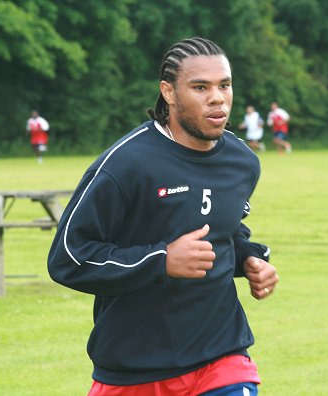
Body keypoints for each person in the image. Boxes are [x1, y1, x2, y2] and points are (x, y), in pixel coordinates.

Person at [48, 37, 279, 396]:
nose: (217, 97)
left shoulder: (242, 161)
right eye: (200, 87)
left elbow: (224, 229)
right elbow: (69, 257)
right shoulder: (126, 165)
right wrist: (162, 260)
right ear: (168, 92)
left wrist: (247, 256)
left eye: (224, 85)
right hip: (134, 368)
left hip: (222, 358)